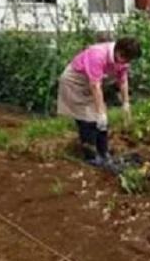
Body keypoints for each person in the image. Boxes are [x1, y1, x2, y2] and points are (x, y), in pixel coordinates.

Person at [57, 38, 141, 166]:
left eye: (128, 60)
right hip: (75, 82)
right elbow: (95, 86)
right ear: (117, 50)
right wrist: (100, 113)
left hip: (90, 83)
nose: (124, 61)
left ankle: (104, 153)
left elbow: (123, 80)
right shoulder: (97, 55)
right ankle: (90, 156)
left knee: (100, 120)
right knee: (87, 119)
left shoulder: (123, 59)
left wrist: (126, 103)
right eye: (123, 57)